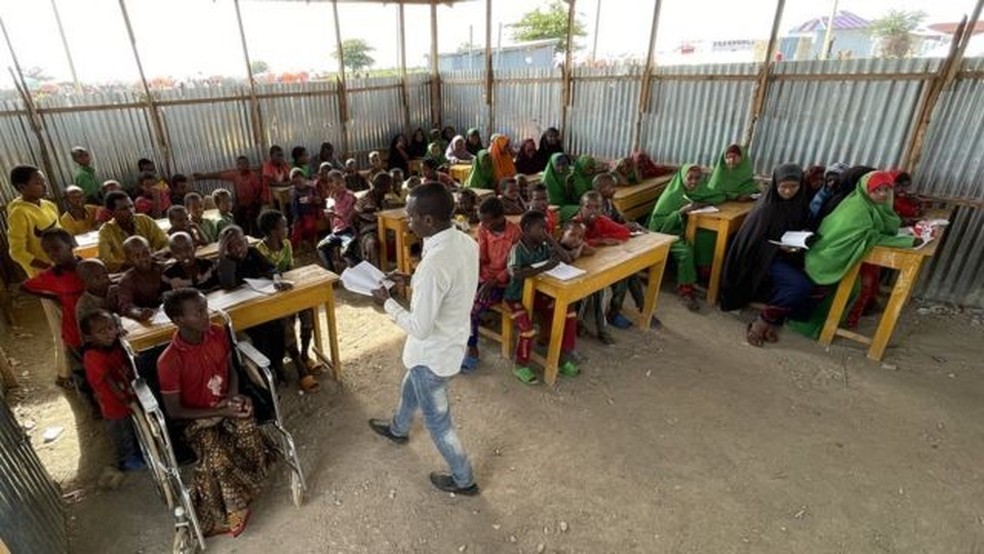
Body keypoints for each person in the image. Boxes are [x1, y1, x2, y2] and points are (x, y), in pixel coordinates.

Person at [367, 183, 480, 495]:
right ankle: (398, 428)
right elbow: (451, 283)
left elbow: (420, 327)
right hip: (448, 343)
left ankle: (464, 479)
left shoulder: (434, 262)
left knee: (439, 423)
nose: (408, 220)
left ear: (429, 220)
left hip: (433, 354)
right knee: (410, 384)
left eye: (412, 215)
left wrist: (386, 303)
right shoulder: (465, 241)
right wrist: (414, 279)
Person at [157, 288, 274, 537]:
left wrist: (232, 398)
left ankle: (252, 480)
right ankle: (233, 507)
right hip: (195, 419)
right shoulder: (169, 361)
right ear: (179, 320)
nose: (206, 314)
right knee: (216, 452)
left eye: (205, 307)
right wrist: (218, 410)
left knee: (246, 422)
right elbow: (174, 410)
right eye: (198, 312)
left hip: (224, 403)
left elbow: (231, 366)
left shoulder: (217, 333)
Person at [803, 171, 921, 335]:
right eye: (877, 190)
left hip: (842, 251)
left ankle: (828, 326)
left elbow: (877, 232)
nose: (883, 194)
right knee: (851, 286)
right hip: (828, 255)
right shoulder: (857, 208)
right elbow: (869, 236)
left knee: (859, 286)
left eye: (887, 190)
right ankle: (812, 327)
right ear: (866, 189)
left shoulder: (875, 206)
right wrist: (907, 241)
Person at [717, 164, 812, 344]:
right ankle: (763, 322)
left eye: (793, 186)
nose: (788, 191)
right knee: (800, 286)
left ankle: (769, 321)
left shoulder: (800, 203)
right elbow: (749, 242)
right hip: (761, 257)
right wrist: (778, 248)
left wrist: (803, 235)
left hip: (787, 254)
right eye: (783, 186)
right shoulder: (766, 208)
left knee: (812, 284)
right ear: (775, 185)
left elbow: (803, 224)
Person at [7, 165, 70, 385]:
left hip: (63, 272)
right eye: (37, 182)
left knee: (70, 321)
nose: (43, 185)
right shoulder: (19, 212)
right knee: (60, 325)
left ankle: (74, 369)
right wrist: (45, 265)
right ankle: (64, 374)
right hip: (45, 278)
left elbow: (62, 235)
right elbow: (17, 251)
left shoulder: (49, 205)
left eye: (43, 181)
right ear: (22, 187)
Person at [504, 210, 579, 384]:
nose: (545, 232)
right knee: (528, 330)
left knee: (569, 312)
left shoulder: (543, 246)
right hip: (515, 297)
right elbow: (515, 273)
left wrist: (551, 239)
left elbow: (567, 260)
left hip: (537, 296)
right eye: (541, 229)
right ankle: (520, 365)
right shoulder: (518, 249)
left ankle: (564, 356)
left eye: (547, 228)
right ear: (527, 229)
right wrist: (544, 267)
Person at [255, 211, 320, 391]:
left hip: (289, 291)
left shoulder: (287, 245)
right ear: (272, 231)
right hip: (272, 298)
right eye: (284, 226)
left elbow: (291, 270)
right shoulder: (260, 249)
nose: (288, 228)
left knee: (307, 314)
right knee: (285, 324)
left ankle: (305, 355)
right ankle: (299, 365)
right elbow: (263, 277)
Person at [647, 164, 725, 311]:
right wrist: (681, 211)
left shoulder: (696, 191)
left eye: (697, 178)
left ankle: (704, 276)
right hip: (666, 232)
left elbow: (719, 196)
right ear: (682, 177)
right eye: (690, 178)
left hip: (685, 228)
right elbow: (657, 225)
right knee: (686, 251)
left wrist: (701, 204)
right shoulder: (672, 195)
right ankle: (685, 289)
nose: (694, 182)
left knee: (707, 237)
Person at [461, 197, 522, 372]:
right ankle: (460, 340)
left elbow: (514, 267)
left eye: (487, 220)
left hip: (504, 282)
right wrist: (473, 278)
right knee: (460, 299)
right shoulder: (483, 228)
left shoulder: (515, 234)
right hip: (484, 277)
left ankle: (472, 349)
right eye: (481, 220)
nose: (483, 224)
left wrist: (491, 283)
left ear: (500, 217)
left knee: (472, 309)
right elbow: (482, 257)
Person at [80, 309, 143, 471]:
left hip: (126, 394)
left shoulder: (114, 343)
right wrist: (124, 398)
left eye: (110, 328)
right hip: (114, 402)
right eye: (101, 332)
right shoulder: (93, 355)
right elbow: (108, 380)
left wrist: (119, 331)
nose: (109, 333)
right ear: (89, 337)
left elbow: (116, 320)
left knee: (132, 427)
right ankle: (126, 459)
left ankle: (137, 452)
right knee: (122, 433)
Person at [22, 229, 86, 388]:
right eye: (47, 251)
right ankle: (93, 409)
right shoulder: (51, 276)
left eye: (56, 248)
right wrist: (54, 297)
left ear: (71, 244)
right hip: (75, 333)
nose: (52, 254)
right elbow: (25, 287)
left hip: (98, 328)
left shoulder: (88, 267)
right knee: (82, 375)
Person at [592, 174, 652, 329]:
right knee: (623, 274)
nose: (615, 190)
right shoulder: (595, 206)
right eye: (611, 187)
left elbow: (619, 220)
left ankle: (642, 308)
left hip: (612, 247)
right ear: (599, 189)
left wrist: (630, 224)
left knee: (632, 272)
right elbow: (604, 230)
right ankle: (614, 312)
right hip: (599, 253)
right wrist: (624, 228)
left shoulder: (610, 203)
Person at [97, 190, 169, 273]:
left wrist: (155, 255)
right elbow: (105, 261)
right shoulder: (106, 231)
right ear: (111, 213)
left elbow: (165, 243)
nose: (131, 211)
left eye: (131, 206)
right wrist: (132, 263)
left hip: (152, 266)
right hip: (128, 271)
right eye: (124, 209)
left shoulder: (144, 220)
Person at [193, 155, 265, 235]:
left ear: (248, 165)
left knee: (252, 222)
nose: (242, 166)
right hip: (241, 205)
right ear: (237, 165)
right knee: (236, 218)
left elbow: (259, 192)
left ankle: (255, 236)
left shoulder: (253, 176)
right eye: (240, 164)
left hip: (253, 204)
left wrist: (254, 204)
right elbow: (219, 175)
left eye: (244, 163)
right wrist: (203, 176)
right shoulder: (235, 174)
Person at [116, 236, 169, 322]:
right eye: (137, 256)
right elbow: (126, 306)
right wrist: (138, 314)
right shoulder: (127, 280)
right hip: (145, 320)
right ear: (129, 259)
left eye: (146, 253)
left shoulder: (163, 268)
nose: (143, 258)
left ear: (151, 251)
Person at [316, 170, 358, 272]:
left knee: (346, 252)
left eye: (343, 182)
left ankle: (363, 272)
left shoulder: (349, 196)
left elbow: (348, 218)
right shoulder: (332, 197)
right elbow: (332, 220)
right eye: (338, 183)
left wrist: (334, 215)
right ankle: (332, 276)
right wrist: (328, 215)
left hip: (349, 230)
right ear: (330, 185)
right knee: (321, 247)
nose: (342, 185)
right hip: (337, 232)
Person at [354, 173, 394, 268]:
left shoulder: (386, 197)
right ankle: (376, 273)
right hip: (368, 231)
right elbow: (353, 217)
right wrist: (357, 236)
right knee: (372, 244)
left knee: (400, 236)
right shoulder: (364, 199)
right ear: (381, 187)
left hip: (384, 228)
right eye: (389, 185)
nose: (390, 188)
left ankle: (396, 265)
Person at [75, 259, 118, 329]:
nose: (105, 279)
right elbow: (86, 336)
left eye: (105, 274)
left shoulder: (117, 290)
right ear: (85, 281)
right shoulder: (84, 306)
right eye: (97, 277)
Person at [288, 167, 321, 251]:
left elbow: (319, 200)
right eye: (295, 182)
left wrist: (313, 199)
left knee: (310, 226)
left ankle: (309, 242)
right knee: (296, 230)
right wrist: (296, 217)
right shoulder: (294, 192)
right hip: (299, 214)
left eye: (300, 181)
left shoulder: (311, 188)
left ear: (304, 178)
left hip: (310, 212)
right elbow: (294, 206)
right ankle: (291, 249)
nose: (298, 184)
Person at [542, 153, 581, 221]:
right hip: (556, 208)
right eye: (558, 165)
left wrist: (571, 188)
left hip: (569, 204)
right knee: (583, 211)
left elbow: (575, 194)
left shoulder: (567, 174)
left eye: (564, 164)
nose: (561, 168)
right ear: (553, 165)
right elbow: (553, 201)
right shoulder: (548, 180)